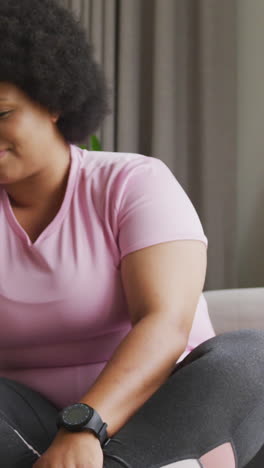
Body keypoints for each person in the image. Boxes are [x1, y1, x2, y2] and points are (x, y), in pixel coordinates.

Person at [0, 1, 263, 467]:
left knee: (251, 358)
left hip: (160, 416)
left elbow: (165, 323)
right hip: (29, 435)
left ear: (54, 100)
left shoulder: (133, 183)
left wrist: (83, 428)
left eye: (1, 113)